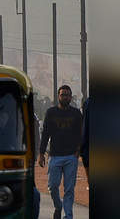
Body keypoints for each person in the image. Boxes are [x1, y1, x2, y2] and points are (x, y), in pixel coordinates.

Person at [39, 85, 83, 219]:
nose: (65, 97)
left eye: (68, 95)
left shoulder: (76, 113)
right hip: (55, 155)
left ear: (71, 97)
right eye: (63, 94)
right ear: (58, 96)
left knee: (69, 189)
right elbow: (45, 133)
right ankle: (58, 206)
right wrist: (41, 154)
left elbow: (82, 134)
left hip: (71, 156)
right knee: (52, 186)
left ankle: (68, 216)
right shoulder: (51, 112)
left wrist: (78, 151)